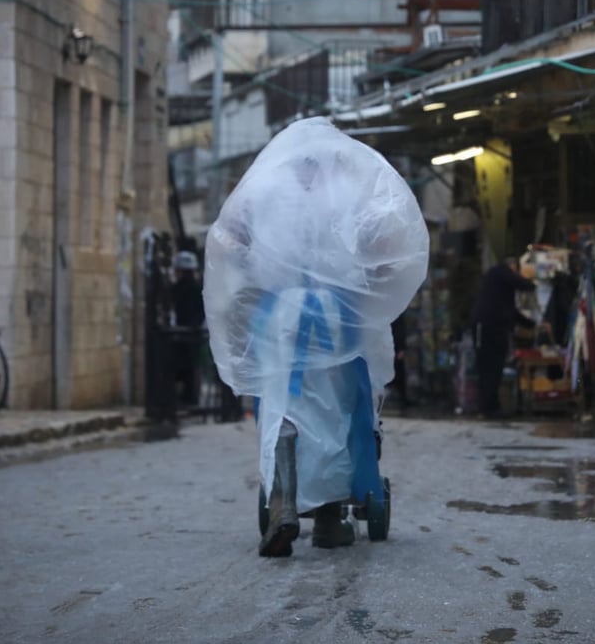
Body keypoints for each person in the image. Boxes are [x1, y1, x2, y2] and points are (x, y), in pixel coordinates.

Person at [203, 117, 429, 558]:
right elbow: (385, 247)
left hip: (279, 320)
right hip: (338, 321)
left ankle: (284, 502)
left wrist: (254, 270)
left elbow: (231, 240)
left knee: (282, 405)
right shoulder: (347, 195)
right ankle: (329, 516)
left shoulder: (264, 192)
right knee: (340, 414)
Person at [471, 256, 535, 418]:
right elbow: (520, 283)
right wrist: (533, 284)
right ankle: (487, 407)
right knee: (488, 367)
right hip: (487, 327)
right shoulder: (499, 272)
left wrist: (531, 324)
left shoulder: (501, 287)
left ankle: (491, 405)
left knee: (495, 366)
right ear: (513, 266)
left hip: (495, 328)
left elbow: (512, 311)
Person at [170, 250, 205, 407]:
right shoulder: (196, 288)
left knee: (186, 367)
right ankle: (188, 397)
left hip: (186, 333)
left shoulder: (183, 288)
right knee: (188, 367)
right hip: (189, 332)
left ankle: (187, 398)